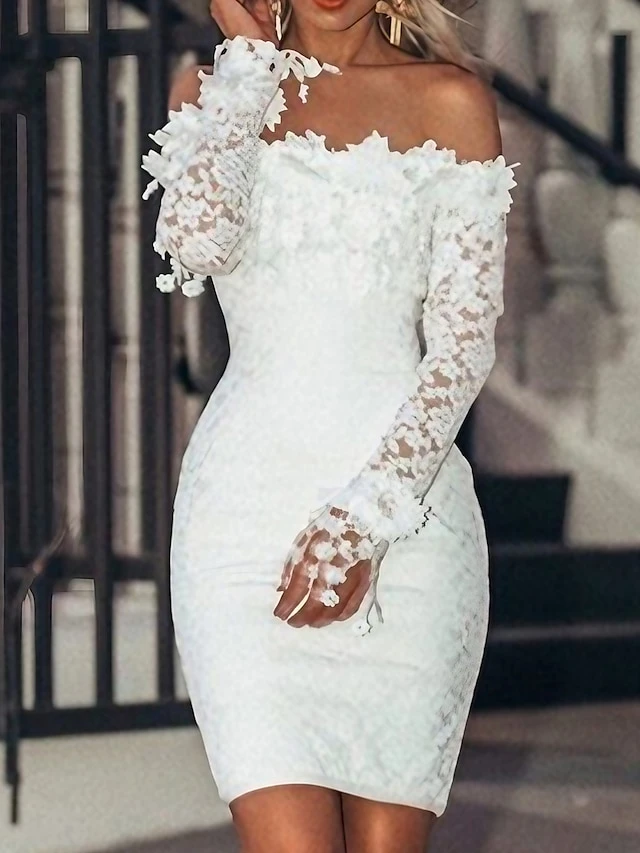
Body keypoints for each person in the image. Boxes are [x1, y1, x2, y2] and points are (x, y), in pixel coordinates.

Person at [142, 0, 519, 848]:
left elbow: (461, 347)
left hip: (408, 519)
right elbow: (196, 243)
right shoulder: (215, 90)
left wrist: (364, 519)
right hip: (243, 525)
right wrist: (248, 61)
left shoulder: (453, 101)